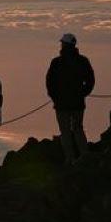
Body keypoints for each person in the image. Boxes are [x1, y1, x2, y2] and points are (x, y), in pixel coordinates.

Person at [45, 33, 95, 165]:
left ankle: (70, 158)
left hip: (62, 104)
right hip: (77, 103)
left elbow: (50, 82)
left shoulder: (57, 62)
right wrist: (83, 93)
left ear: (64, 45)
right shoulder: (82, 61)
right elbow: (90, 80)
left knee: (65, 131)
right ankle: (84, 156)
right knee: (78, 129)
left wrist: (55, 97)